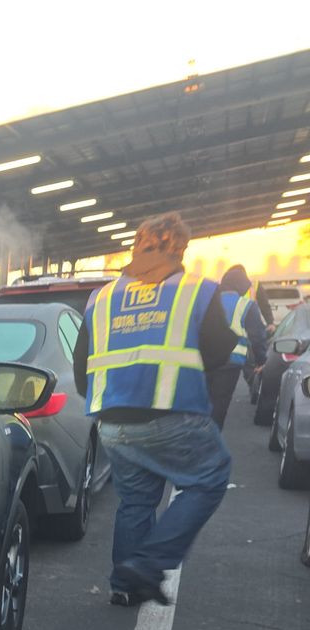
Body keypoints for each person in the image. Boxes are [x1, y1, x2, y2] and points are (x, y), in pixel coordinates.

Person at [72, 212, 237, 606]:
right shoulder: (198, 290)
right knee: (210, 476)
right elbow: (219, 352)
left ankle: (124, 584)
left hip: (112, 421)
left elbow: (82, 368)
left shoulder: (103, 297)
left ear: (137, 245)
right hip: (171, 413)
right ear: (179, 248)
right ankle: (148, 564)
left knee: (136, 502)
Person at [208, 264, 268, 428]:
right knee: (219, 405)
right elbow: (257, 337)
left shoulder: (208, 300)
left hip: (204, 360)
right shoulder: (247, 305)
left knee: (202, 403)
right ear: (241, 286)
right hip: (230, 362)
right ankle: (210, 440)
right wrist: (261, 360)